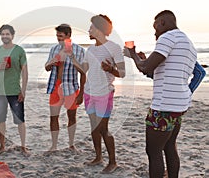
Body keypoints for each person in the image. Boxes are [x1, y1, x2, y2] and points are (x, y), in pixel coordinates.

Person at [125, 10, 197, 178]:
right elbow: (160, 72)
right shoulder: (188, 43)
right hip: (179, 104)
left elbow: (145, 67)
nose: (155, 32)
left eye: (155, 26)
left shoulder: (167, 38)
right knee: (170, 147)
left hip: (164, 105)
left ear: (163, 23)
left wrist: (133, 54)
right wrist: (143, 60)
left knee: (153, 151)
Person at [82, 14, 125, 173]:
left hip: (104, 94)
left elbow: (122, 73)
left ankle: (112, 162)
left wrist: (110, 69)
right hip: (89, 93)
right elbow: (84, 70)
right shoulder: (90, 49)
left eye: (92, 27)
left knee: (103, 128)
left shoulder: (113, 48)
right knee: (94, 127)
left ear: (99, 29)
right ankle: (98, 157)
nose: (89, 30)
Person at [0, 24, 29, 156]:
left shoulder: (19, 51)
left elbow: (25, 72)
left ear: (12, 35)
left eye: (7, 34)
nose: (5, 36)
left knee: (20, 120)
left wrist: (23, 90)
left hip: (15, 91)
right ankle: (1, 146)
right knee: (0, 120)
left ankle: (23, 147)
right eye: (3, 34)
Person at [45, 24, 86, 152]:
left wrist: (81, 94)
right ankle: (54, 145)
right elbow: (47, 68)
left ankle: (71, 143)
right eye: (57, 36)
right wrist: (52, 62)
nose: (59, 39)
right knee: (53, 117)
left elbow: (83, 72)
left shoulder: (79, 50)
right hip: (55, 85)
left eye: (61, 36)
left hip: (71, 87)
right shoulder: (54, 49)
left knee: (71, 116)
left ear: (68, 35)